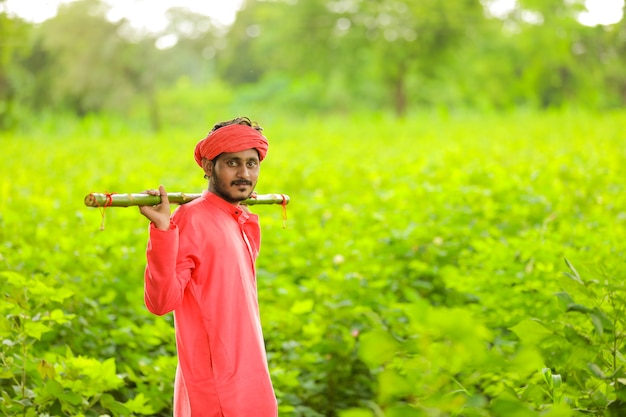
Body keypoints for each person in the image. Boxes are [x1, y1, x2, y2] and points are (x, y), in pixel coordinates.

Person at [138, 117, 278, 416]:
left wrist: (240, 212)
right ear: (208, 167)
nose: (244, 174)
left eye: (251, 164)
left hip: (251, 377)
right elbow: (161, 302)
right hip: (216, 391)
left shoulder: (240, 218)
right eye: (232, 163)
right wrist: (163, 230)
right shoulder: (191, 219)